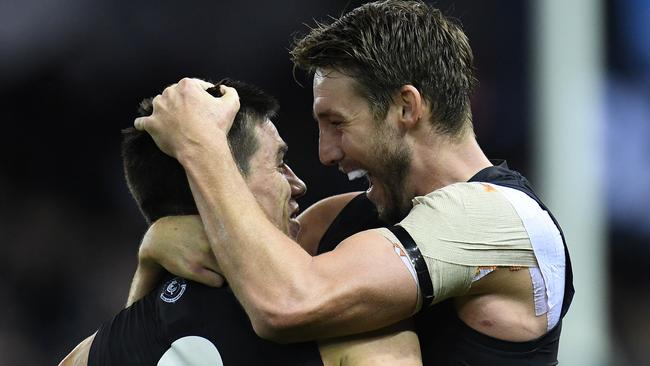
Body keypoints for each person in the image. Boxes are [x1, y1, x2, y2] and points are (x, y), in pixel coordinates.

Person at [132, 1, 574, 364]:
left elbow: (285, 304)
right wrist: (153, 252)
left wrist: (201, 146)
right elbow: (179, 332)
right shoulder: (336, 220)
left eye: (337, 123)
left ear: (406, 108)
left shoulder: (500, 222)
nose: (326, 153)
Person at [59, 79, 422, 366]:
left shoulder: (93, 353)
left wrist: (151, 256)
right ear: (219, 176)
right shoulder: (358, 335)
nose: (298, 183)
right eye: (279, 163)